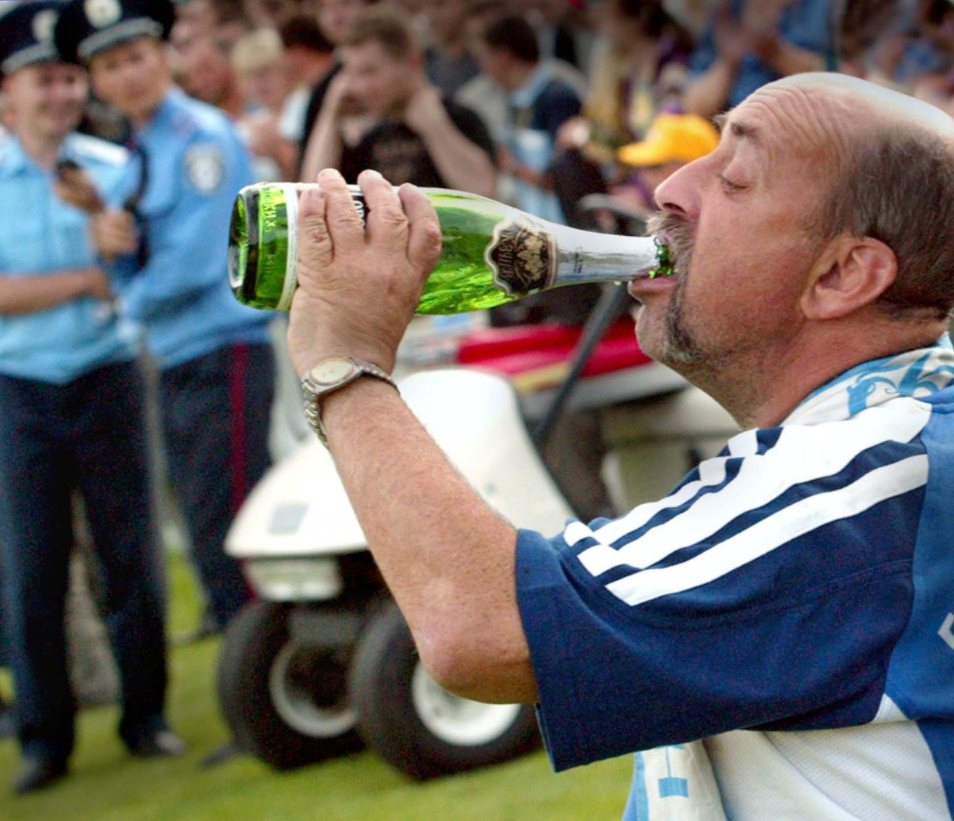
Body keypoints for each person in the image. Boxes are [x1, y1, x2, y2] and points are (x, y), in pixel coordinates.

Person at [284, 70, 954, 819]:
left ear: (841, 274)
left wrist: (346, 364)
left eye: (733, 178)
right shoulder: (903, 438)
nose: (669, 190)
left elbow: (486, 626)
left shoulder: (868, 472)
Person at [0, 2, 183, 795]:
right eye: (45, 79)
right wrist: (84, 275)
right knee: (32, 569)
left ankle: (146, 718)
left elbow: (138, 267)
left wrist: (93, 266)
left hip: (106, 375)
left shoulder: (112, 168)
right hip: (19, 388)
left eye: (72, 77)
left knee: (131, 556)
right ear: (7, 94)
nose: (62, 93)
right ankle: (47, 737)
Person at [54, 0, 276, 633]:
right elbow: (129, 252)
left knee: (233, 517)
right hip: (180, 356)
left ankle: (268, 673)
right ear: (95, 81)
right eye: (112, 65)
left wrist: (127, 297)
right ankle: (248, 661)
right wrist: (106, 236)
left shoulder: (199, 137)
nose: (130, 75)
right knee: (206, 522)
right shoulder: (135, 156)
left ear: (164, 56)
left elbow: (200, 257)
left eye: (138, 57)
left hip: (222, 350)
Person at [300, 6, 496, 196]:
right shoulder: (366, 134)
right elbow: (315, 194)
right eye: (353, 74)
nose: (360, 87)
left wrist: (435, 127)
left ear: (411, 61)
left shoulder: (459, 116)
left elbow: (484, 190)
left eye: (370, 72)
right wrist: (330, 115)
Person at [681, 0, 835, 119]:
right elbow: (693, 108)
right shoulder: (729, 12)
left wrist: (775, 53)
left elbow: (845, 84)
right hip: (734, 134)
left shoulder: (826, 8)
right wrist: (729, 61)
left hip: (801, 131)